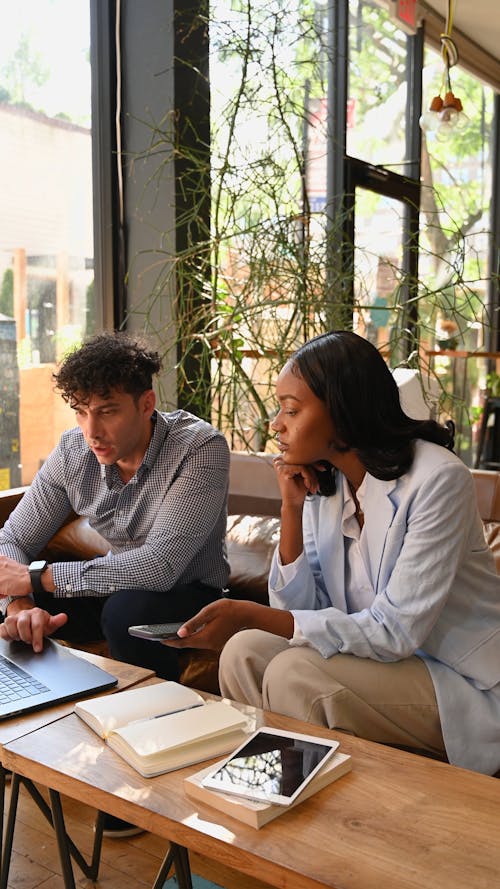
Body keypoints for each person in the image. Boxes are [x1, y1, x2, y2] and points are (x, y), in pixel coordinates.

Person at [166, 330, 500, 777]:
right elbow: (299, 615)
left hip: (458, 678)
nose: (276, 424)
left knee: (294, 674)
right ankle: (264, 790)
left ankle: (310, 819)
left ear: (343, 410)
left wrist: (250, 612)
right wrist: (290, 506)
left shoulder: (439, 480)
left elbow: (395, 631)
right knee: (244, 651)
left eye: (291, 409)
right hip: (379, 662)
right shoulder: (330, 483)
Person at [0, 331, 230, 683]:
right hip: (110, 583)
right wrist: (19, 603)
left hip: (186, 594)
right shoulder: (73, 452)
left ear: (146, 404)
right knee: (18, 609)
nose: (91, 431)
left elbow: (160, 566)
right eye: (81, 412)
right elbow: (12, 539)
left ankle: (160, 717)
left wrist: (37, 578)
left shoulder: (200, 448)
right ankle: (36, 709)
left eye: (107, 412)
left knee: (128, 613)